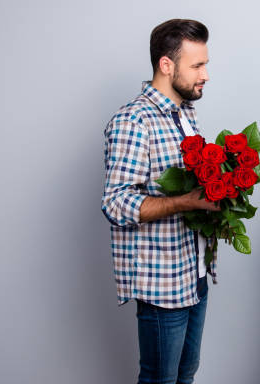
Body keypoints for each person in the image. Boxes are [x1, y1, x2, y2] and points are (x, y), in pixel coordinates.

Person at [101, 19, 219, 384]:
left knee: (186, 373)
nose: (206, 75)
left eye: (205, 64)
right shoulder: (133, 121)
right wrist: (187, 201)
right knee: (160, 380)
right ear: (166, 65)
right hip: (162, 283)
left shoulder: (185, 115)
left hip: (194, 273)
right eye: (197, 66)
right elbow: (116, 203)